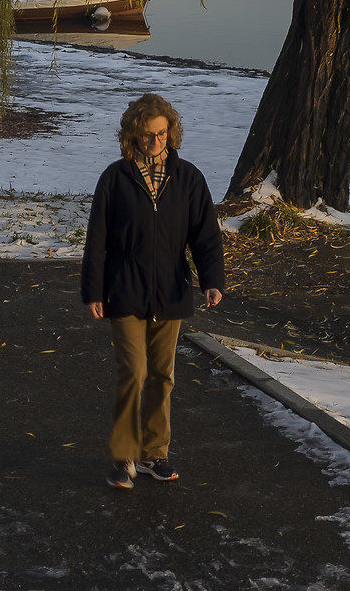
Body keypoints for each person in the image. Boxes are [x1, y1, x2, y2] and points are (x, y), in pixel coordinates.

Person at [82, 91, 225, 491]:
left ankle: (153, 455)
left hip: (171, 291)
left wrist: (212, 280)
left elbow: (206, 236)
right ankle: (123, 457)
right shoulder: (115, 178)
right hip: (124, 289)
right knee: (135, 372)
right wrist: (93, 291)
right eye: (147, 135)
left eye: (162, 134)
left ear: (171, 133)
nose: (155, 142)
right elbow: (97, 240)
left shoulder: (189, 178)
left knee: (163, 375)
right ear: (133, 136)